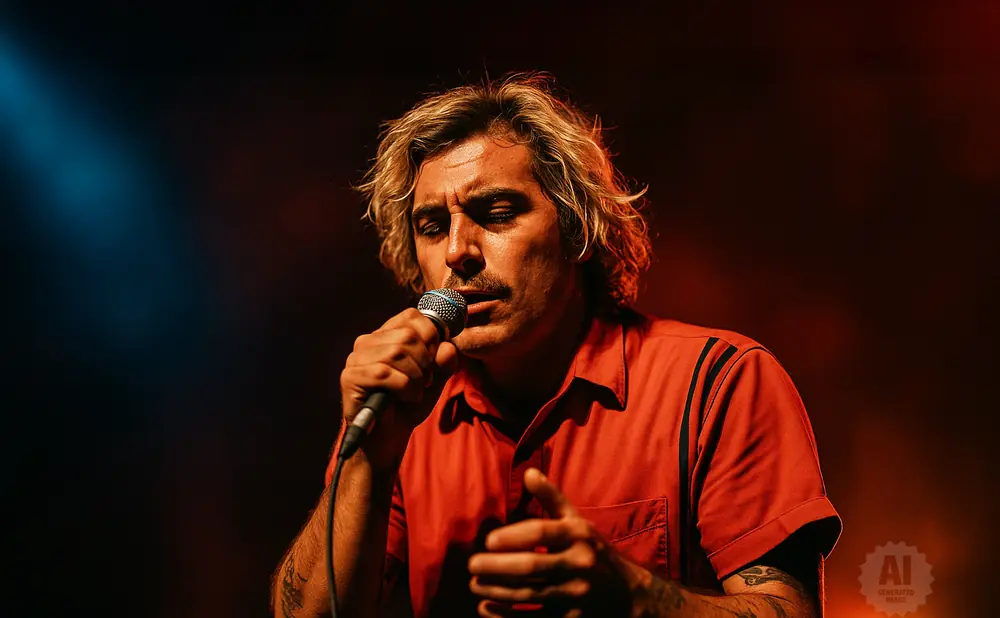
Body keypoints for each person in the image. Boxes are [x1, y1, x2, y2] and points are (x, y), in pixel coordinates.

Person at [270, 73, 842, 618]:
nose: (457, 252)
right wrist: (369, 457)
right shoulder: (402, 410)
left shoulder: (720, 382)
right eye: (432, 226)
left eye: (495, 214)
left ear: (577, 228)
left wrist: (635, 598)